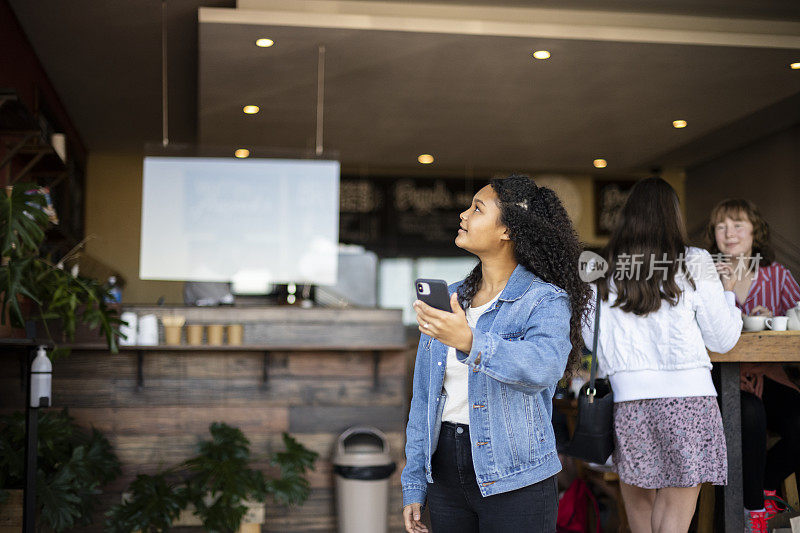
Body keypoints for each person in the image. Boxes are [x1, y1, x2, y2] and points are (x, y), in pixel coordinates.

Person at [401, 175, 591, 533]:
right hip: (443, 472)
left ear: (507, 230)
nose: (463, 215)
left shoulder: (545, 300)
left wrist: (471, 342)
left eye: (477, 208)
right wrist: (414, 482)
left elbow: (544, 367)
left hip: (517, 476)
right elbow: (424, 398)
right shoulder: (451, 298)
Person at [582, 177, 742, 533]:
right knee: (674, 518)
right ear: (674, 217)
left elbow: (591, 340)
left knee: (641, 516)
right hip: (690, 401)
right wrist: (728, 293)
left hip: (631, 403)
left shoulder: (603, 269)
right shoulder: (694, 261)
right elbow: (724, 338)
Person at [706, 198, 800, 531]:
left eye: (737, 224)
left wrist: (761, 363)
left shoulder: (777, 277)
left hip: (768, 375)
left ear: (754, 231)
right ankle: (752, 513)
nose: (729, 233)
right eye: (721, 226)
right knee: (749, 413)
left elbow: (798, 321)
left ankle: (765, 484)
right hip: (718, 382)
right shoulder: (705, 277)